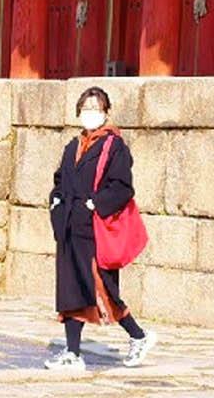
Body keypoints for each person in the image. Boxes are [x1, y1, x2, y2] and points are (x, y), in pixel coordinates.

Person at [44, 86, 156, 371]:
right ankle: (72, 353)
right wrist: (56, 203)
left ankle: (138, 335)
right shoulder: (73, 146)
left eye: (95, 109)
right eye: (85, 109)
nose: (89, 114)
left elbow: (121, 187)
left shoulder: (113, 146)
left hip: (94, 229)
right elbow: (60, 180)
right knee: (70, 289)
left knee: (102, 288)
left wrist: (94, 205)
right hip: (69, 227)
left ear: (106, 113)